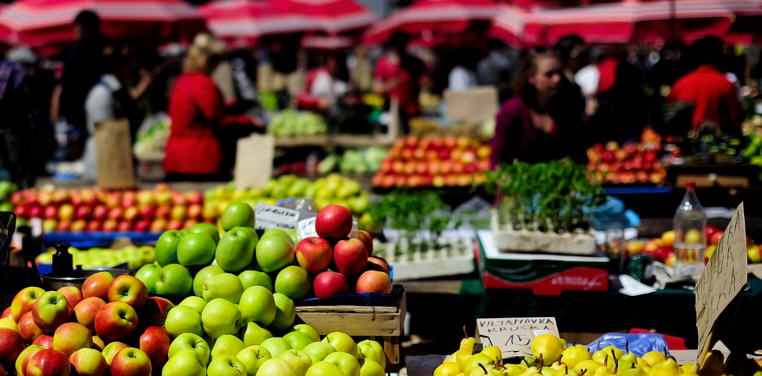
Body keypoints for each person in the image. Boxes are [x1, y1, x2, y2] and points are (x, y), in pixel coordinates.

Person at [490, 50, 585, 166]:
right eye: (549, 74)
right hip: (521, 179)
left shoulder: (566, 109)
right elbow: (498, 159)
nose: (557, 79)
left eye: (559, 73)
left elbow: (579, 155)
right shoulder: (512, 111)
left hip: (559, 180)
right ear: (531, 77)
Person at [163, 33, 230, 180]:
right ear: (211, 63)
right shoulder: (204, 84)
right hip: (201, 161)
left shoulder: (181, 81)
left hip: (176, 159)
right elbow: (217, 118)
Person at [82, 48, 150, 181]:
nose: (131, 71)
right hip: (104, 165)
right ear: (118, 69)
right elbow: (107, 133)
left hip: (110, 163)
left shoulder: (114, 92)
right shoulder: (102, 94)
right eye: (127, 67)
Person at [50, 10, 107, 158]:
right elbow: (59, 86)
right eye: (76, 27)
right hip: (72, 112)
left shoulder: (104, 51)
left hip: (97, 111)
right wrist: (55, 115)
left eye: (83, 28)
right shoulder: (69, 52)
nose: (78, 31)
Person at [668, 36, 744, 131]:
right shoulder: (726, 84)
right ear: (718, 56)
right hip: (714, 142)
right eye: (723, 52)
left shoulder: (680, 84)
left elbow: (667, 115)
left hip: (681, 142)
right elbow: (737, 118)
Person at [373, 31, 425, 134]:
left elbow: (424, 82)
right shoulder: (383, 63)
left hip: (411, 111)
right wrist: (391, 84)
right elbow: (376, 88)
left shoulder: (414, 63)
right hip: (391, 109)